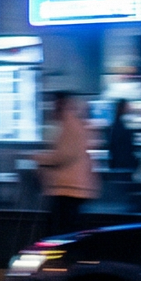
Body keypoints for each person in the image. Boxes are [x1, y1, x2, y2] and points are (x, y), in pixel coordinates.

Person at [35, 92, 97, 236]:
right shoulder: (72, 126)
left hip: (68, 189)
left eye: (54, 105)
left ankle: (62, 258)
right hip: (70, 188)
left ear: (61, 105)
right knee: (65, 230)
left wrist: (36, 158)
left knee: (61, 232)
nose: (51, 109)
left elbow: (62, 156)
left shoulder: (70, 128)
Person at [105, 103, 141, 211]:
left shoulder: (115, 125)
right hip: (124, 164)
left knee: (122, 192)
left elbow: (113, 147)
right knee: (126, 193)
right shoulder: (122, 125)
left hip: (119, 164)